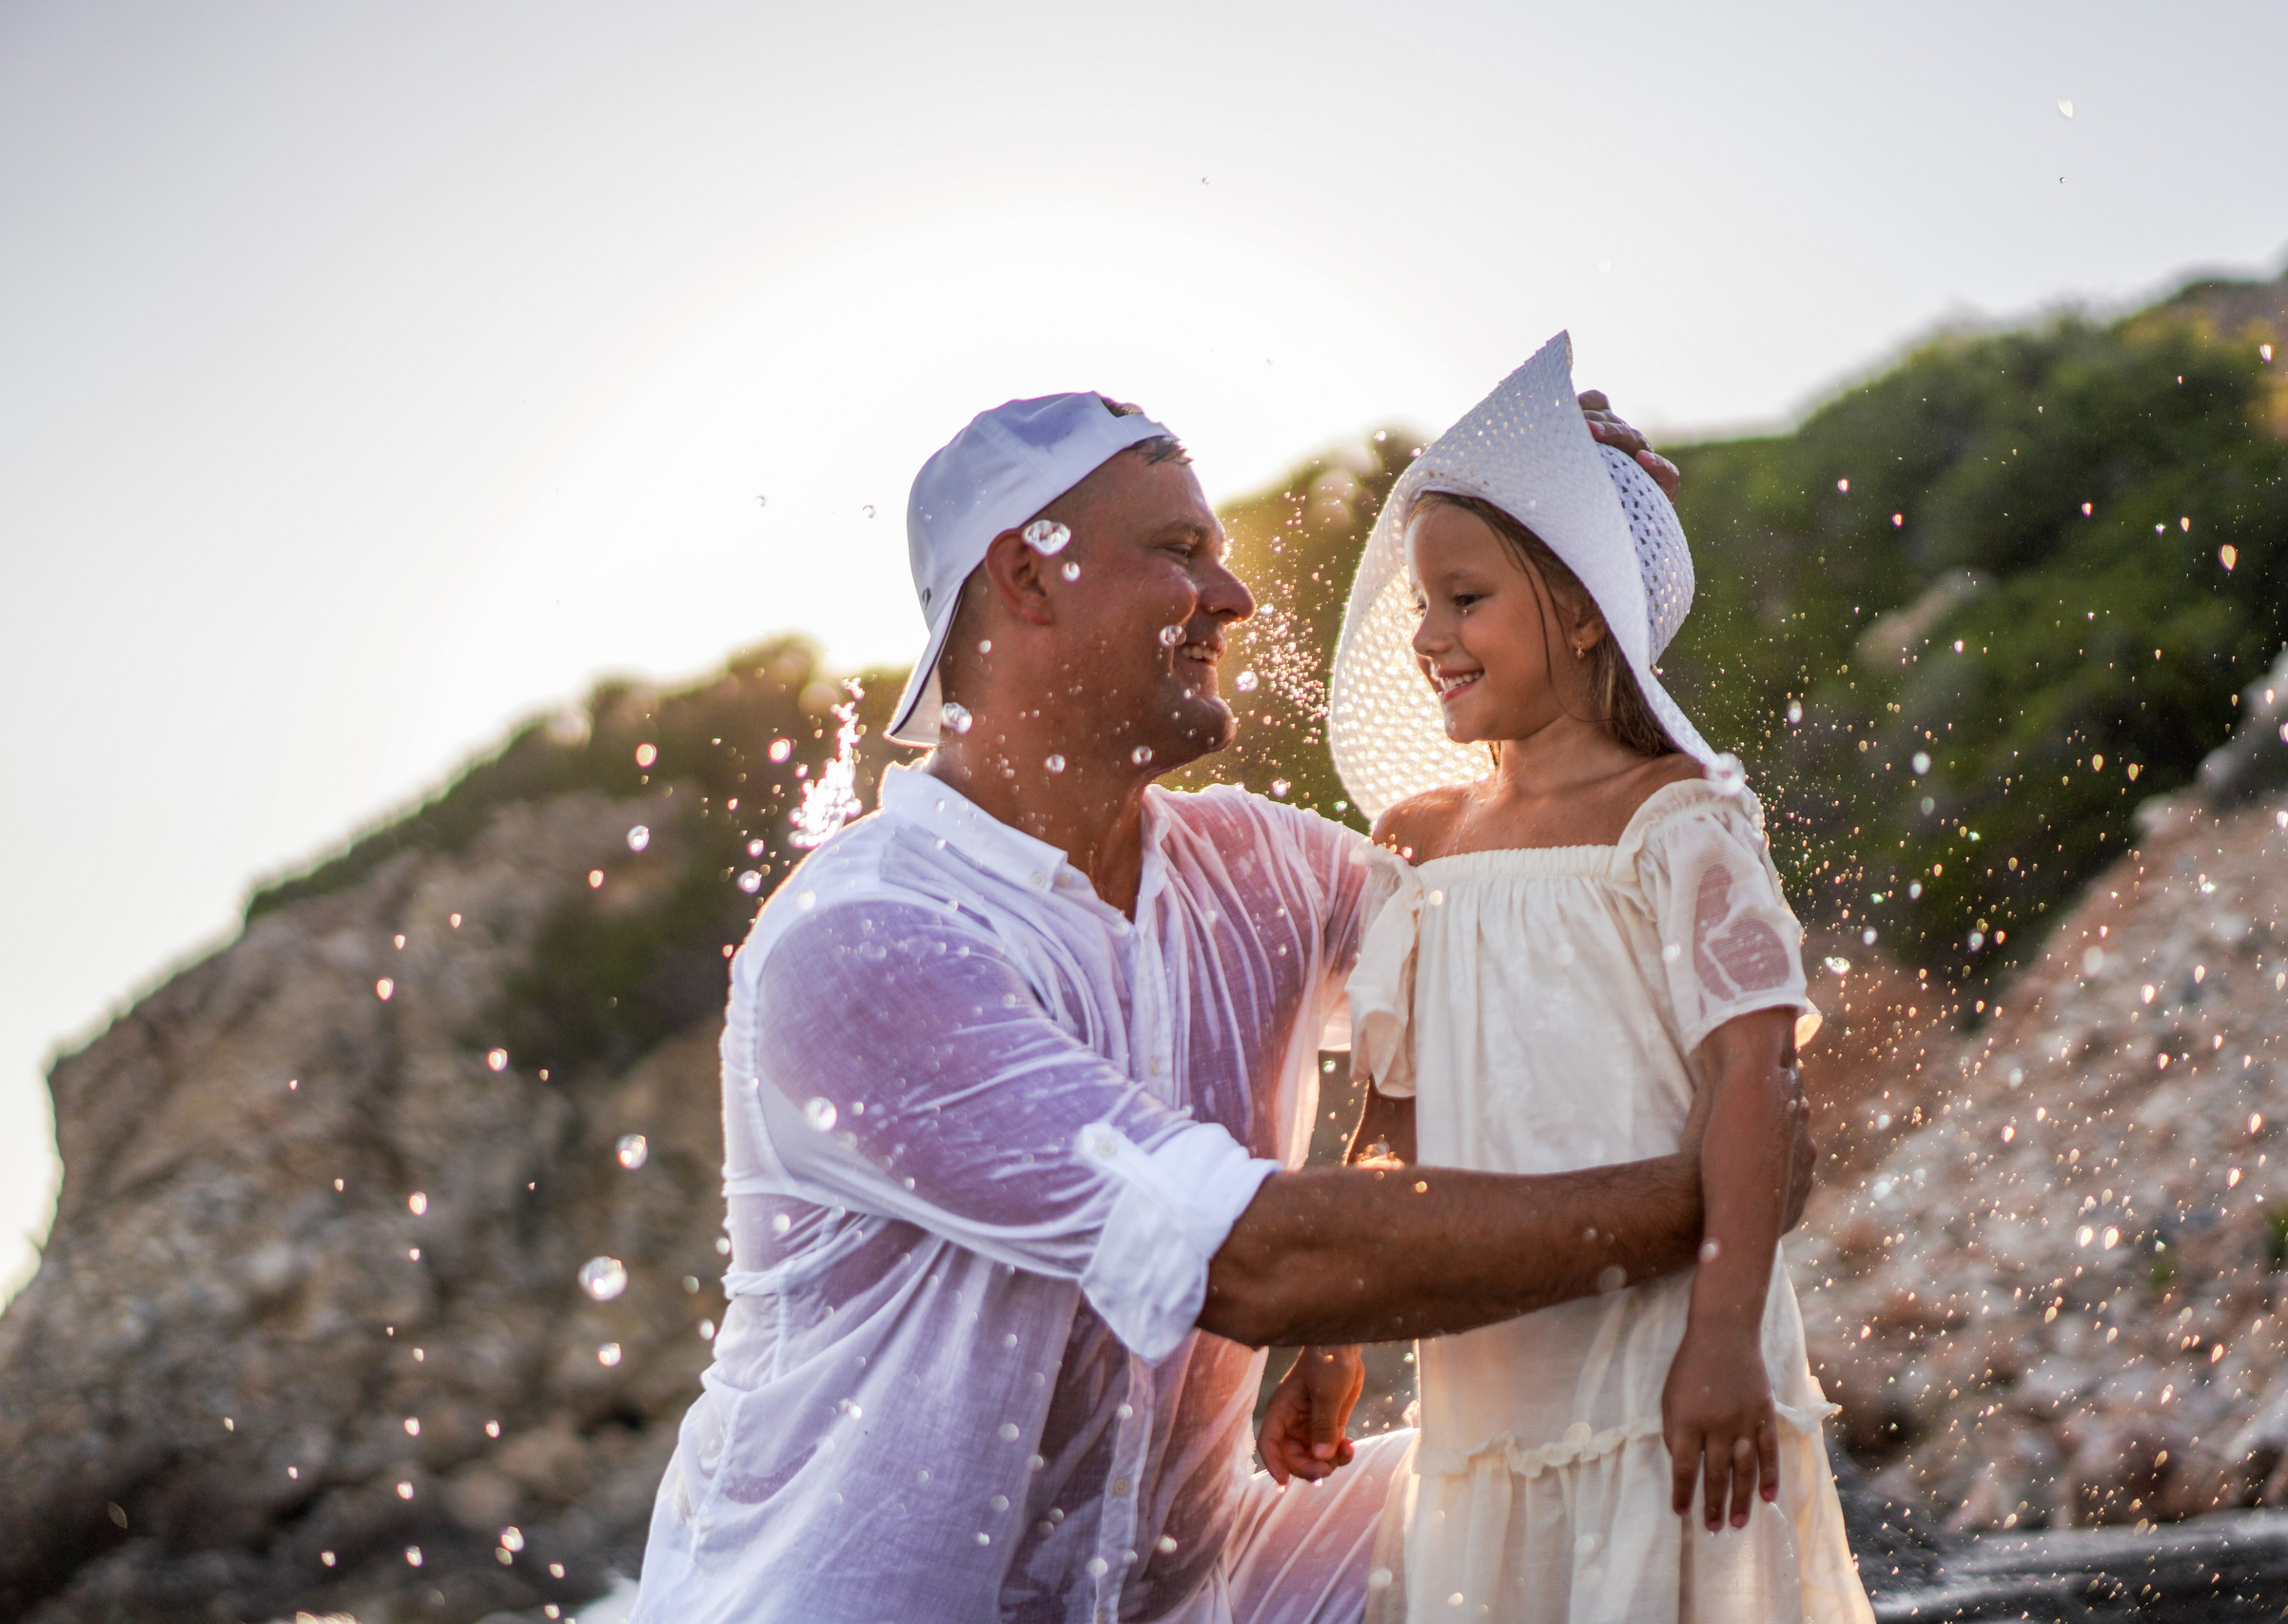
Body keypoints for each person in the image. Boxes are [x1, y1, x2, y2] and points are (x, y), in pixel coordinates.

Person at [626, 382, 1817, 1624]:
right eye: (1180, 552)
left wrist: (1572, 558)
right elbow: (1261, 1265)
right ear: (1026, 577)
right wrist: (1713, 1206)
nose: (1234, 600)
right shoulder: (867, 938)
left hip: (1195, 1592)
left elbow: (1574, 929)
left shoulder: (1256, 869)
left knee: (1633, 1475)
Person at [1260, 335, 1870, 1622]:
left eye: (1465, 599)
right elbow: (1393, 1123)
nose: (1428, 635)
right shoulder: (1417, 842)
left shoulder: (1678, 822)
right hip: (1489, 1384)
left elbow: (1755, 1078)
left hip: (1665, 1373)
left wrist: (1722, 1335)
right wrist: (1335, 1333)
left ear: (1584, 605)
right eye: (1423, 603)